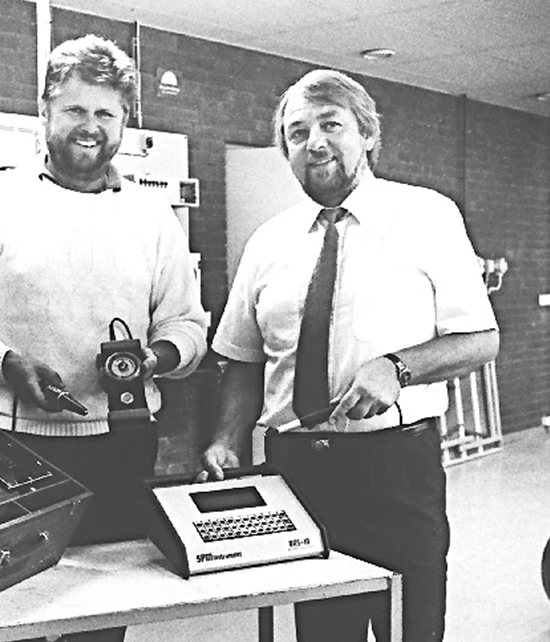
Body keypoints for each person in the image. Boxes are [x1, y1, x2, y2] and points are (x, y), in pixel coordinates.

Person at [197, 69, 499, 642]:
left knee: (410, 629)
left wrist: (397, 367)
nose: (314, 143)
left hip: (395, 469)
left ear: (368, 135)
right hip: (297, 472)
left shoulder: (426, 215)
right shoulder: (267, 241)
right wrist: (225, 439)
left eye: (331, 125)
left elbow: (480, 339)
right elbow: (242, 358)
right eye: (297, 132)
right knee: (320, 632)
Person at [0, 34, 208, 642]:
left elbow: (187, 325)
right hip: (9, 445)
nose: (90, 126)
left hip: (122, 445)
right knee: (12, 614)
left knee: (102, 615)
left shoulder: (152, 218)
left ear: (126, 121)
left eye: (106, 113)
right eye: (75, 109)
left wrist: (155, 357)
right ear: (45, 111)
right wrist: (4, 363)